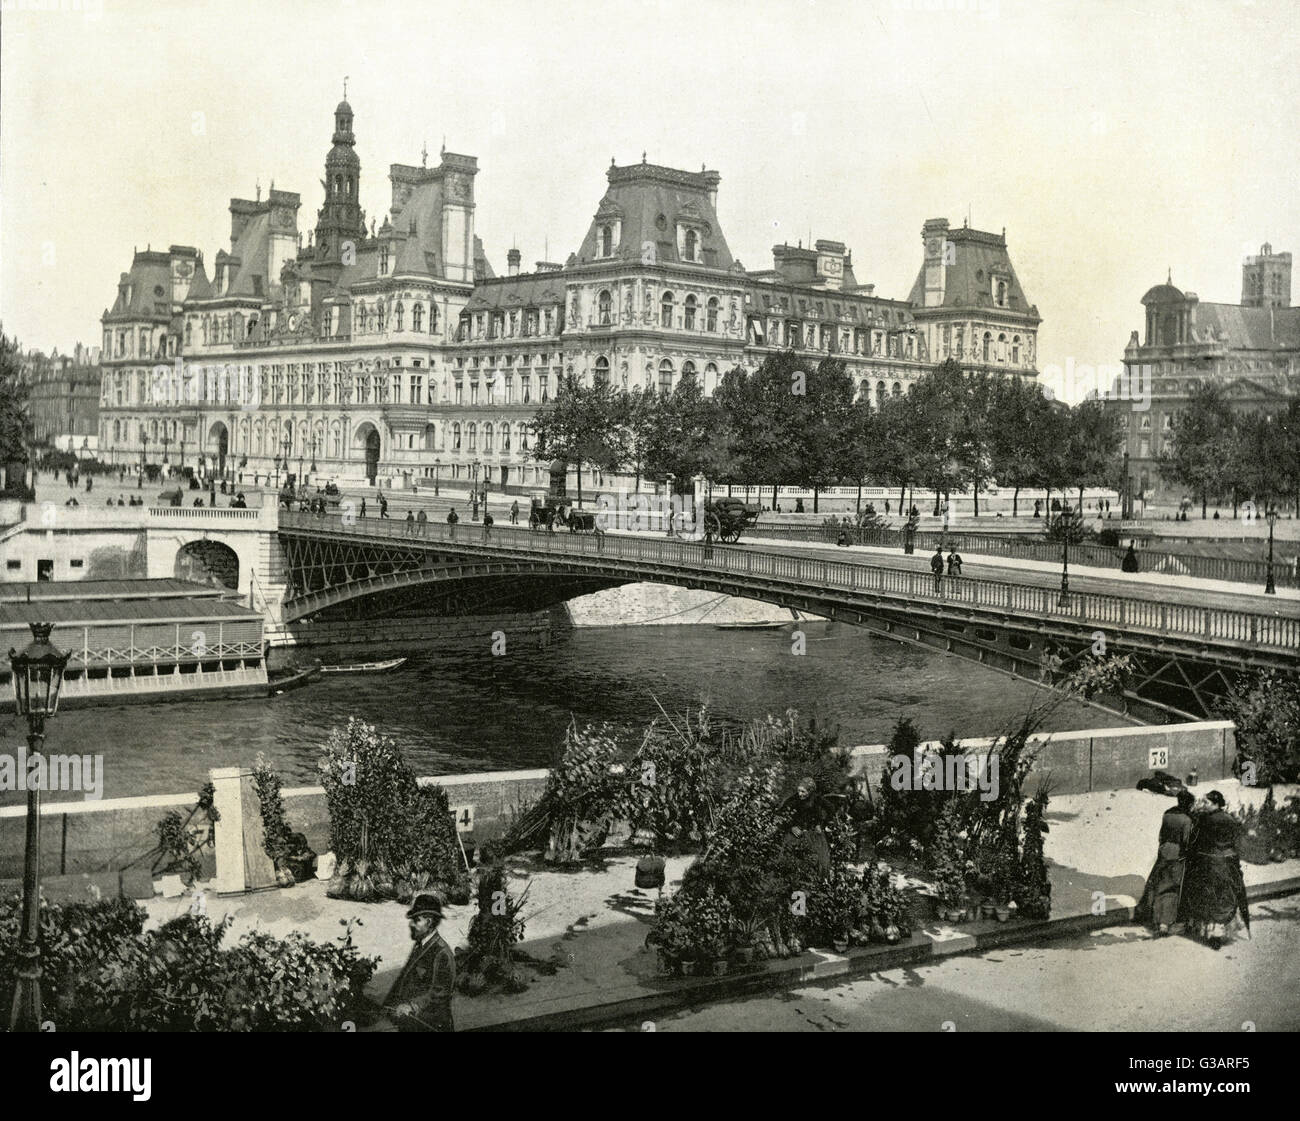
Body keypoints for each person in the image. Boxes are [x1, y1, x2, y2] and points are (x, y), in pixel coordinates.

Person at [1181, 790, 1249, 949]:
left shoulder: (1205, 820)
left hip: (1210, 862)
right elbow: (1236, 841)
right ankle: (1221, 932)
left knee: (1208, 895)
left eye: (1207, 803)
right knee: (1224, 896)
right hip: (1228, 861)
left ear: (1216, 804)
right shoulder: (1230, 819)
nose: (1204, 805)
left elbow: (1195, 842)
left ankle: (1212, 935)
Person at [381, 893, 455, 1032]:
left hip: (431, 1026)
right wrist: (387, 1006)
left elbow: (440, 993)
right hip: (411, 1023)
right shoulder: (419, 946)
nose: (411, 924)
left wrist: (413, 1006)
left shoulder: (442, 952)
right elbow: (404, 978)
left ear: (429, 922)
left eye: (416, 920)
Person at [1135, 789, 1195, 935]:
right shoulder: (1186, 820)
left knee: (1157, 884)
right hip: (1177, 855)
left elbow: (1161, 836)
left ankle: (1147, 914)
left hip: (1164, 851)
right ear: (1189, 804)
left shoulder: (1167, 814)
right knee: (1171, 889)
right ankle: (1164, 923)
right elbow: (1187, 841)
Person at [778, 777, 832, 879]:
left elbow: (831, 809)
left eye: (803, 791)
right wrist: (791, 827)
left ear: (810, 791)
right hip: (797, 835)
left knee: (820, 861)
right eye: (799, 791)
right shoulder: (794, 800)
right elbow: (781, 814)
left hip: (814, 835)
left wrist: (821, 825)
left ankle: (818, 884)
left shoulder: (817, 799)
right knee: (792, 860)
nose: (800, 794)